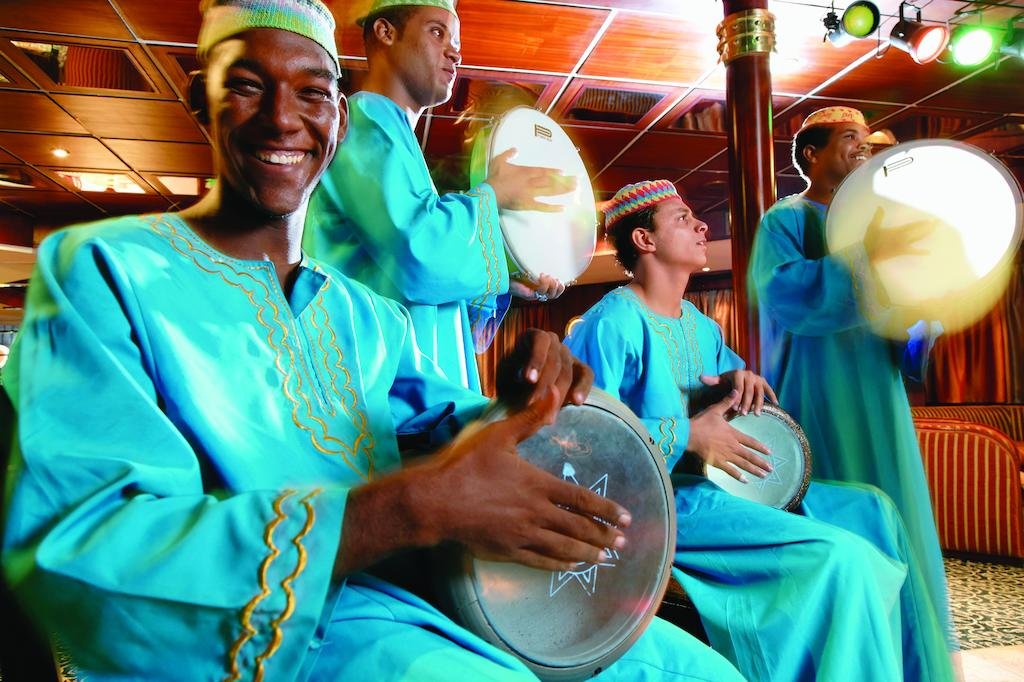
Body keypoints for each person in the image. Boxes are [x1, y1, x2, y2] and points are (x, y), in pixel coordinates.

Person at [0, 3, 743, 680]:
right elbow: (81, 546)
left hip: (414, 598)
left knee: (695, 671)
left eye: (313, 93)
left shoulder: (363, 314)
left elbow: (441, 418)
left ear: (339, 119)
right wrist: (408, 510)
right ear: (200, 100)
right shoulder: (104, 270)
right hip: (267, 641)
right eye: (248, 87)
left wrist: (523, 395)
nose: (283, 120)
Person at [566, 179, 955, 682]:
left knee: (874, 511)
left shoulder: (701, 326)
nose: (701, 225)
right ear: (645, 239)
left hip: (714, 492)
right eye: (682, 218)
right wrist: (687, 435)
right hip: (656, 505)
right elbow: (582, 434)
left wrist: (741, 381)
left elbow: (733, 398)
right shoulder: (612, 321)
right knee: (844, 557)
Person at [748, 106, 955, 652]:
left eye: (865, 138)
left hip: (879, 390)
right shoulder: (786, 219)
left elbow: (906, 320)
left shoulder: (878, 223)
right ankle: (844, 650)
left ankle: (904, 653)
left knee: (894, 506)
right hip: (818, 388)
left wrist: (923, 313)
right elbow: (787, 295)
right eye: (848, 137)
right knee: (835, 508)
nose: (863, 147)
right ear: (811, 154)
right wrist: (866, 258)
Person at [303, 0, 573, 393]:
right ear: (385, 32)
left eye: (456, 42)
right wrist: (495, 192)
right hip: (380, 394)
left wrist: (504, 278)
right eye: (437, 32)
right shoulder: (364, 120)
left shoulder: (394, 135)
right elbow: (418, 253)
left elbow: (407, 275)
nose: (454, 53)